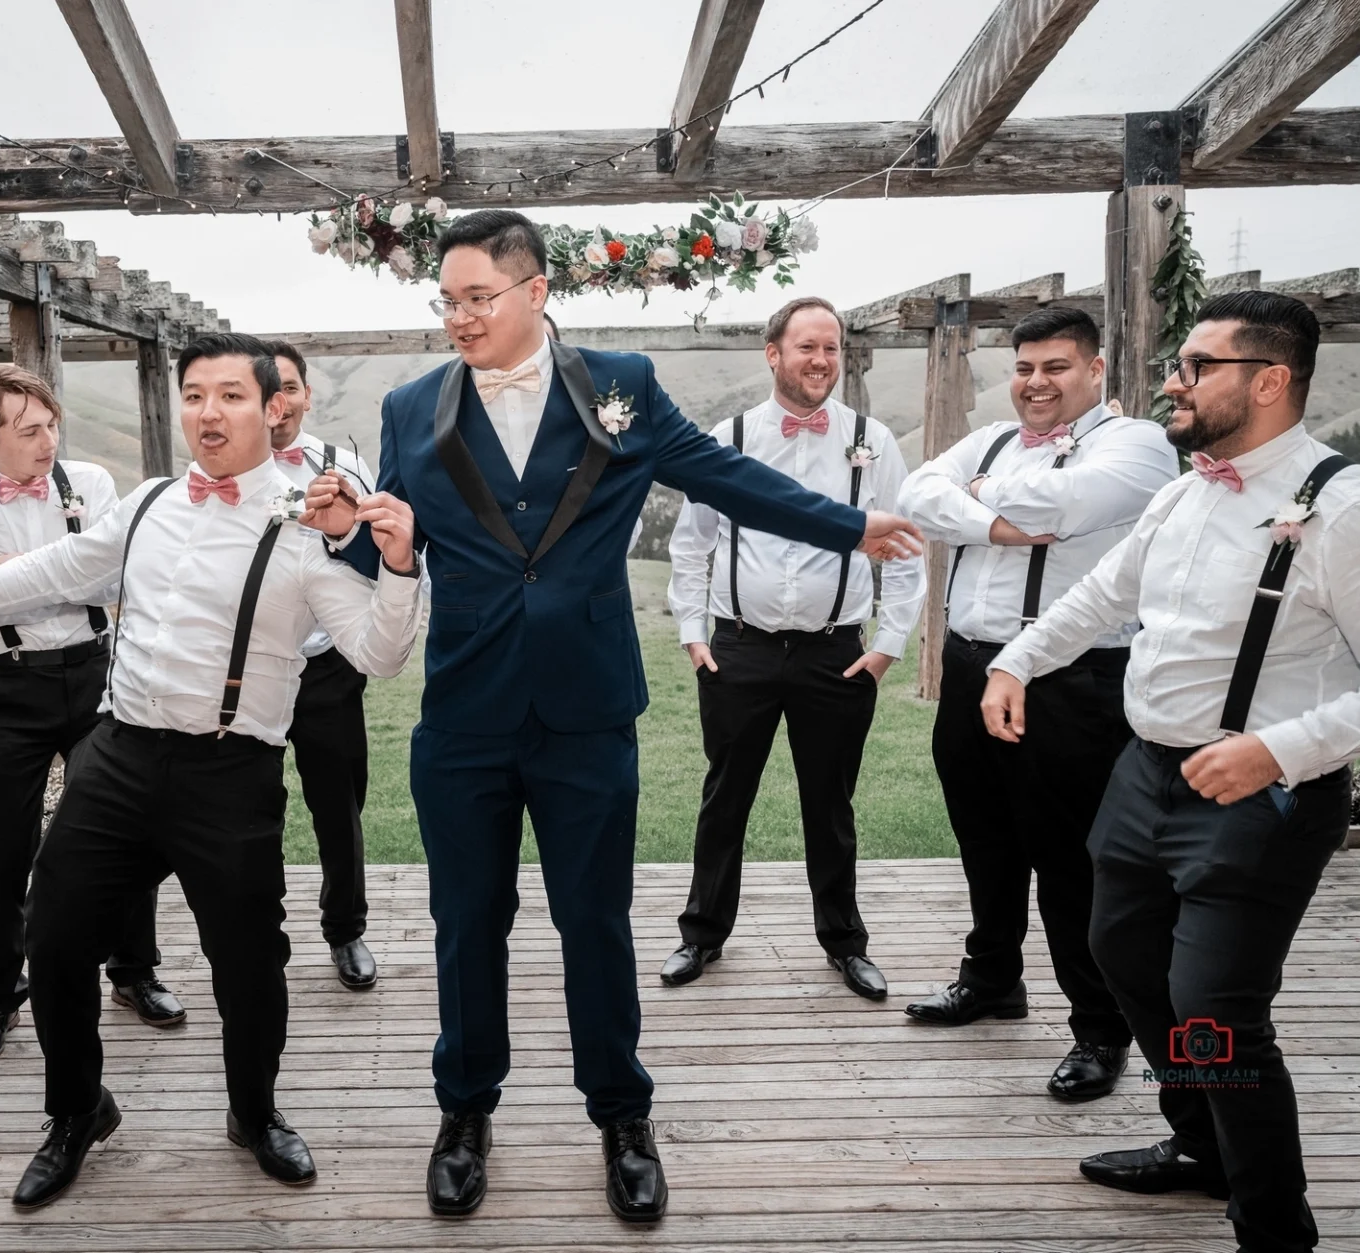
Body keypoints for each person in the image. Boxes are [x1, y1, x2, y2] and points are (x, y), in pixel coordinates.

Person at [310, 208, 923, 1223]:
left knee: (592, 919)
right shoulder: (410, 405)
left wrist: (852, 524)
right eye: (447, 300)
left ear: (535, 291)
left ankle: (622, 1115)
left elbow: (725, 478)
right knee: (467, 921)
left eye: (477, 297)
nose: (459, 318)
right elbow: (390, 550)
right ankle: (464, 1109)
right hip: (464, 708)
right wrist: (356, 530)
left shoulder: (622, 385)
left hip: (588, 707)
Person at [0, 333, 423, 1208]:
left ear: (270, 409)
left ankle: (254, 1111)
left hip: (232, 772)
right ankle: (76, 1109)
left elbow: (380, 651)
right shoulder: (149, 504)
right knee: (53, 938)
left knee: (249, 964)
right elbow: (55, 567)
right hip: (119, 756)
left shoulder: (300, 530)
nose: (210, 413)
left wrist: (399, 566)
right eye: (196, 395)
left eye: (231, 397)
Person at [981, 292, 1360, 1253]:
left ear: (1269, 380)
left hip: (1260, 798)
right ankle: (1199, 1145)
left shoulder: (1349, 508)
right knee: (1128, 964)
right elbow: (1103, 593)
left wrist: (1279, 748)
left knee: (1218, 1010)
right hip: (1141, 781)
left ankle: (1272, 1224)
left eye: (1195, 366)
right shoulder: (1182, 489)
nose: (1171, 382)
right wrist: (1018, 659)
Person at [896, 308, 1177, 1101]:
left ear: (1095, 370)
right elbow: (918, 495)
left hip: (1072, 676)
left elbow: (1071, 505)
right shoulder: (986, 439)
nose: (1035, 383)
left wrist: (981, 500)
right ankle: (992, 978)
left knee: (1069, 856)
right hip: (969, 663)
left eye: (1055, 366)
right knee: (984, 836)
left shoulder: (1139, 446)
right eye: (1024, 367)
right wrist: (998, 514)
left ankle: (1099, 1026)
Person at [661, 296, 925, 1000]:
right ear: (772, 353)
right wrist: (694, 633)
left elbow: (903, 550)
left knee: (830, 805)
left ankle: (845, 942)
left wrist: (888, 646)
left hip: (836, 654)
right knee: (725, 798)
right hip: (738, 651)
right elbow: (691, 545)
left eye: (831, 348)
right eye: (807, 346)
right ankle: (701, 934)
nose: (821, 360)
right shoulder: (732, 435)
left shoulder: (873, 440)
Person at [0, 364, 184, 1067]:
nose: (48, 442)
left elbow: (111, 579)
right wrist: (49, 575)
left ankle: (133, 971)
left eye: (51, 425)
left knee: (122, 835)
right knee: (3, 850)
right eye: (28, 430)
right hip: (9, 687)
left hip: (96, 676)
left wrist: (14, 569)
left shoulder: (93, 483)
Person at [267, 339, 382, 989]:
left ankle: (347, 929)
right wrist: (293, 507)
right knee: (255, 808)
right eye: (268, 387)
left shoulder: (345, 461)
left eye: (290, 385)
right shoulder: (225, 465)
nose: (279, 400)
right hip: (252, 665)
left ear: (308, 394)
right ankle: (262, 932)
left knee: (339, 805)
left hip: (328, 661)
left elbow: (369, 539)